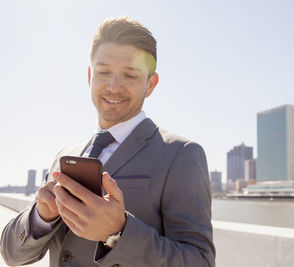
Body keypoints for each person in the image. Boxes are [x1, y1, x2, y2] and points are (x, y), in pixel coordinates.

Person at [1, 17, 215, 267]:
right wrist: (41, 216)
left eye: (130, 75)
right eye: (103, 72)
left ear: (151, 84)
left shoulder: (182, 154)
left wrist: (117, 234)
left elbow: (200, 261)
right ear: (90, 75)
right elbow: (11, 256)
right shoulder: (65, 156)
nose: (114, 87)